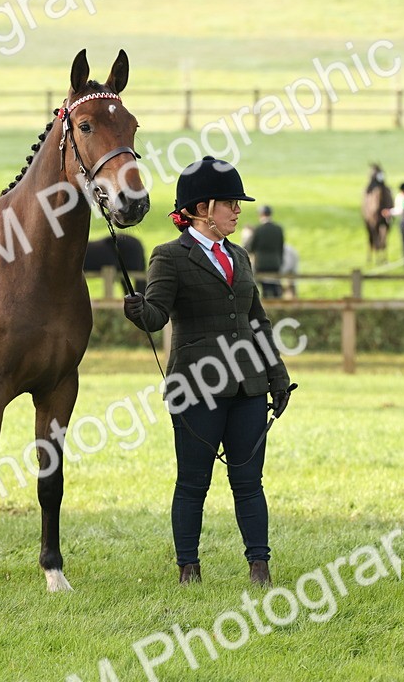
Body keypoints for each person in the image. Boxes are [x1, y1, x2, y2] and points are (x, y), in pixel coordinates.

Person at [122, 156, 292, 588]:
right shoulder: (169, 257)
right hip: (198, 388)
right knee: (193, 482)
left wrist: (276, 376)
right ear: (202, 209)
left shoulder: (240, 255)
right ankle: (188, 569)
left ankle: (260, 568)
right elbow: (158, 315)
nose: (238, 210)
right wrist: (139, 310)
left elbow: (258, 321)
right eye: (230, 203)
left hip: (248, 387)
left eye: (238, 203)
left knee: (249, 481)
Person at [245, 204, 285, 298]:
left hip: (261, 264)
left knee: (265, 289)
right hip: (276, 263)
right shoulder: (278, 229)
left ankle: (268, 309)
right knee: (276, 287)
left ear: (260, 214)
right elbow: (281, 247)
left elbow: (250, 247)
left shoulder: (258, 229)